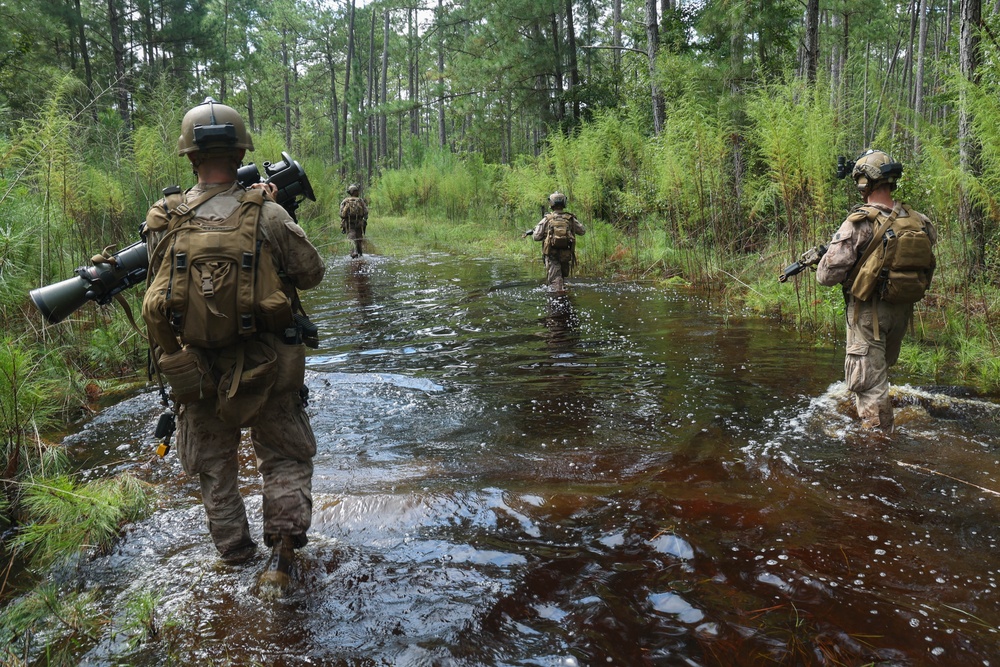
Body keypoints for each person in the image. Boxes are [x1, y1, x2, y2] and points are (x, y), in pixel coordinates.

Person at [141, 98, 326, 593]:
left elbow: (152, 291)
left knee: (213, 467)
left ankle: (234, 558)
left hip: (195, 369)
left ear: (189, 157)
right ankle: (281, 558)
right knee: (285, 456)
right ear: (241, 148)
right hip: (270, 363)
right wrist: (274, 210)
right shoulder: (266, 213)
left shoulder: (166, 218)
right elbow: (311, 274)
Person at [816, 149, 936, 434]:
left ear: (864, 182)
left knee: (869, 388)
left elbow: (827, 276)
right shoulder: (920, 220)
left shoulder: (860, 221)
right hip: (901, 313)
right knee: (879, 378)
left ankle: (877, 454)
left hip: (868, 316)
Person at [527, 192, 585, 293]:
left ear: (551, 203)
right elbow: (582, 231)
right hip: (566, 253)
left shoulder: (547, 219)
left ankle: (558, 300)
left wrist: (536, 231)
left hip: (551, 254)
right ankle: (565, 300)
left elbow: (536, 237)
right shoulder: (570, 218)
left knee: (555, 283)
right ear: (564, 203)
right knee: (562, 278)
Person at [340, 184, 369, 258]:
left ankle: (353, 254)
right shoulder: (360, 200)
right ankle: (360, 254)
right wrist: (364, 220)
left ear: (350, 192)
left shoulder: (345, 201)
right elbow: (366, 212)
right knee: (359, 238)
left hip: (349, 223)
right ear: (355, 191)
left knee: (351, 238)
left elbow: (341, 213)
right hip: (359, 223)